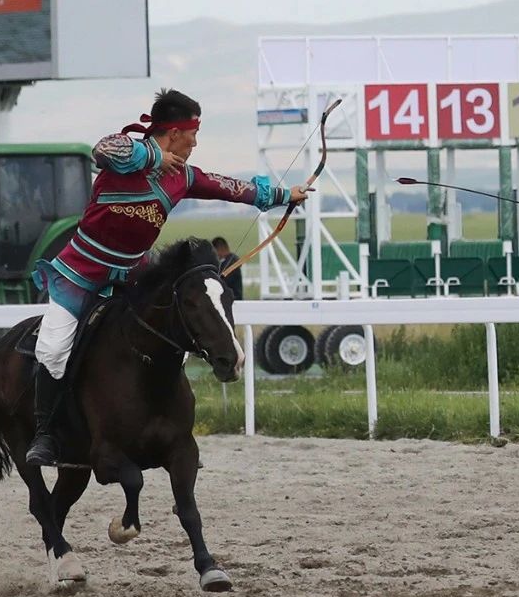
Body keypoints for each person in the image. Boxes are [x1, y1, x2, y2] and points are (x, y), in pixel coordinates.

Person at [26, 89, 308, 466]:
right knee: (53, 349)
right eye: (193, 134)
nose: (196, 142)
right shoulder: (126, 154)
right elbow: (102, 150)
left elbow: (229, 187)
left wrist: (282, 194)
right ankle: (45, 436)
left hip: (133, 272)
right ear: (174, 132)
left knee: (171, 322)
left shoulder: (185, 177)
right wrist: (155, 156)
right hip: (80, 273)